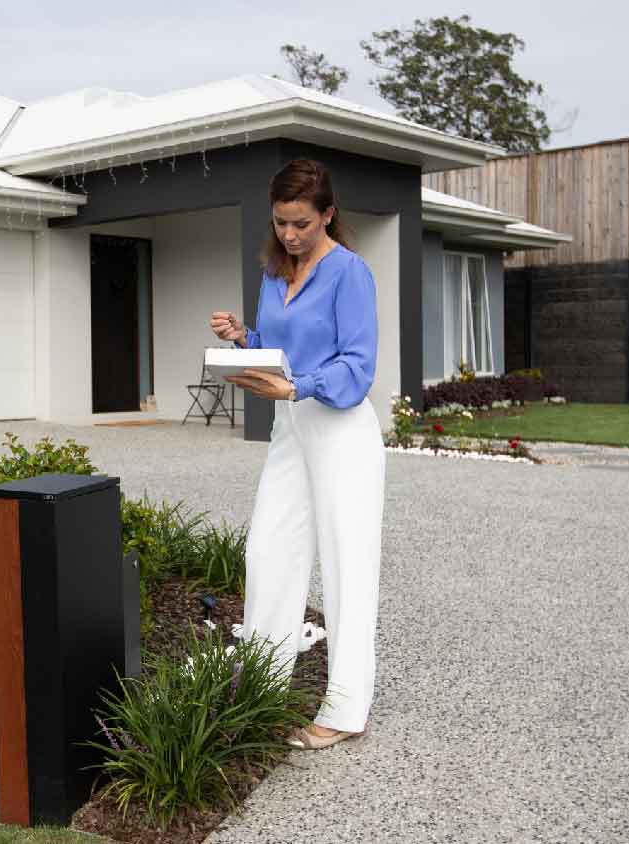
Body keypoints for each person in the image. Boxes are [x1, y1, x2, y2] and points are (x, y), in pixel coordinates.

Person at [209, 158, 385, 750]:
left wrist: (298, 387)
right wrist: (243, 340)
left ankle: (344, 710)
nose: (290, 234)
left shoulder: (349, 274)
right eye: (281, 222)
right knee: (268, 552)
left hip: (341, 430)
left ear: (328, 214)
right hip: (292, 429)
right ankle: (261, 683)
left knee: (345, 567)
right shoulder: (272, 271)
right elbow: (277, 347)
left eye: (302, 223)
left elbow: (357, 367)